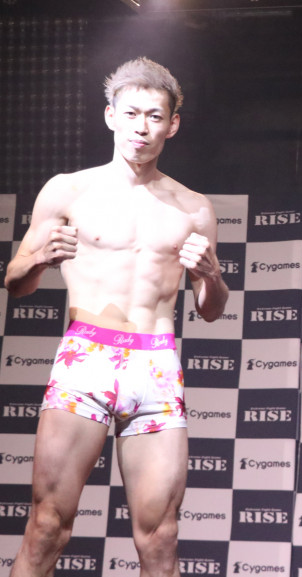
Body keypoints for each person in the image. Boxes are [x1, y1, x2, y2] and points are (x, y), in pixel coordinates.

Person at [5, 57, 229, 577]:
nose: (141, 127)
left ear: (172, 124)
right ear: (110, 116)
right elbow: (15, 281)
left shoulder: (194, 208)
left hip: (155, 365)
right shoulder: (68, 190)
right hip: (86, 358)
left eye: (154, 116)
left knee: (160, 537)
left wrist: (213, 276)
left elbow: (210, 310)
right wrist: (37, 260)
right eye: (131, 114)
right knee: (47, 526)